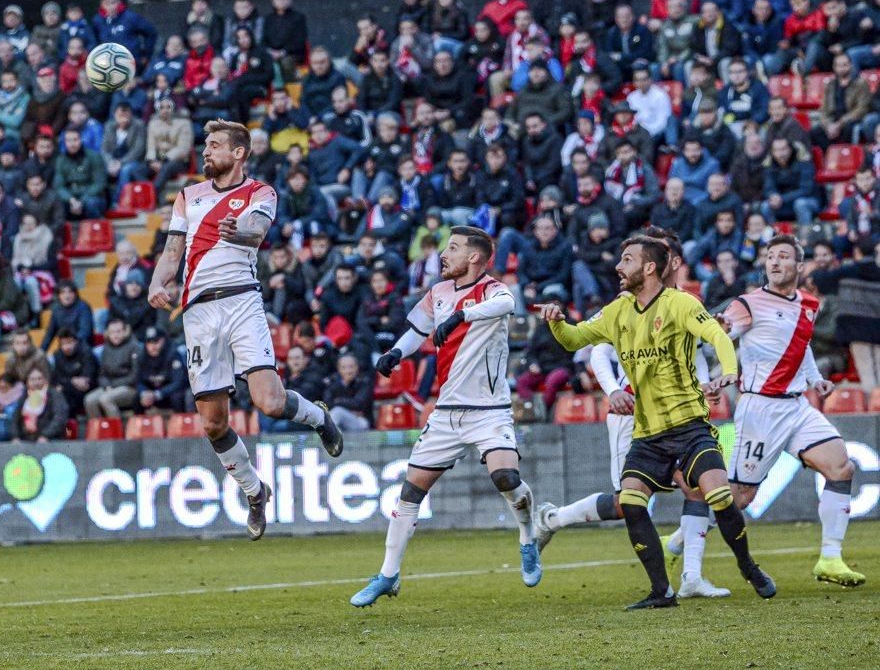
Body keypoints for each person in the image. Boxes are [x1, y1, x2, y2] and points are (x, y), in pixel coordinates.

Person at [536, 235, 775, 609]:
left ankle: (748, 566)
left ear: (649, 268)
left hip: (689, 426)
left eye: (626, 259)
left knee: (720, 495)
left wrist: (729, 370)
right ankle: (662, 591)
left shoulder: (680, 303)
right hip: (647, 434)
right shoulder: (618, 310)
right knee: (630, 502)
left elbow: (716, 334)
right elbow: (574, 340)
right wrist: (557, 321)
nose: (618, 266)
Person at [147, 120, 344, 539]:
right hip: (198, 313)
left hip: (241, 300)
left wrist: (239, 233)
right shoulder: (188, 196)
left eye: (215, 145)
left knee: (270, 402)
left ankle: (317, 416)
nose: (206, 152)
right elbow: (172, 251)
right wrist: (157, 281)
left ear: (238, 153)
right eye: (206, 144)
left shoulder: (260, 193)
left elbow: (257, 232)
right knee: (214, 423)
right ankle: (255, 492)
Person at [351, 226, 542, 607]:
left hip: (489, 411)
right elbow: (416, 330)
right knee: (410, 491)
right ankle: (388, 574)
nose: (444, 254)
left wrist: (462, 316)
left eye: (452, 248)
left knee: (506, 478)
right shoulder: (437, 292)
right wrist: (396, 354)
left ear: (474, 257)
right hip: (447, 412)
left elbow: (507, 306)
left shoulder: (492, 289)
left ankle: (527, 536)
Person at [721, 235, 865, 587]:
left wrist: (816, 380)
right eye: (770, 256)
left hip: (797, 406)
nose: (775, 262)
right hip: (760, 409)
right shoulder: (748, 304)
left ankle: (830, 558)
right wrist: (721, 336)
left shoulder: (809, 304)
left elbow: (801, 347)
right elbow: (725, 330)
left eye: (783, 256)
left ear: (799, 266)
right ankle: (682, 538)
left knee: (841, 466)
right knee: (740, 497)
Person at [84, 318, 140, 419]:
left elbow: (135, 376)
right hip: (109, 386)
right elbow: (102, 374)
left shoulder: (134, 347)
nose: (115, 335)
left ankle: (116, 431)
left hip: (129, 387)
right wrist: (106, 385)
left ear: (125, 332)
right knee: (89, 400)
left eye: (118, 331)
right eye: (112, 332)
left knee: (106, 399)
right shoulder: (106, 348)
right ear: (108, 334)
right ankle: (100, 430)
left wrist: (113, 386)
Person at [10, 367, 69, 443]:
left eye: (39, 378)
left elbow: (60, 418)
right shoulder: (24, 397)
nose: (36, 382)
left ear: (45, 380)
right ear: (27, 382)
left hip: (50, 439)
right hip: (25, 439)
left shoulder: (54, 395)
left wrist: (45, 435)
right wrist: (15, 436)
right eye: (32, 379)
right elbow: (15, 418)